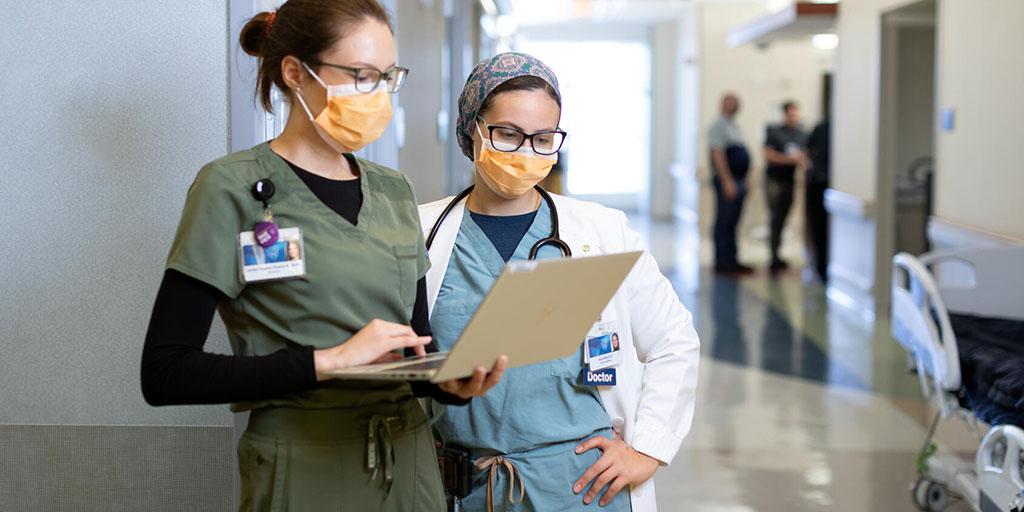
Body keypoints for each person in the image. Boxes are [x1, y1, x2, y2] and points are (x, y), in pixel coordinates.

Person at [139, 1, 505, 509]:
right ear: (295, 73)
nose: (377, 94)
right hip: (305, 466)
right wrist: (328, 362)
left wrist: (453, 382)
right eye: (360, 75)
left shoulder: (394, 191)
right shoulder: (231, 189)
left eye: (386, 77)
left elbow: (417, 347)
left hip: (410, 466)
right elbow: (164, 373)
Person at [419, 53, 700, 512]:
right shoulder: (422, 233)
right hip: (461, 488)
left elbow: (674, 340)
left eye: (543, 138)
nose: (526, 152)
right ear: (472, 130)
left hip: (583, 490)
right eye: (508, 134)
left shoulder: (602, 232)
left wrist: (648, 448)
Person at [707, 93, 753, 275]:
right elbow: (717, 154)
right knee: (724, 221)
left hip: (739, 180)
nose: (734, 105)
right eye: (730, 102)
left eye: (736, 102)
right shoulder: (717, 126)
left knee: (734, 222)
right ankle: (722, 262)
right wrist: (727, 180)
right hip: (728, 181)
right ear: (722, 104)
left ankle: (732, 260)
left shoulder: (735, 126)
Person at [763, 100, 808, 274]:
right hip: (775, 181)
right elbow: (769, 155)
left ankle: (778, 254)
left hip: (790, 182)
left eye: (795, 114)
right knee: (775, 218)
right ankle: (773, 256)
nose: (793, 117)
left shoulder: (800, 134)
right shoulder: (775, 133)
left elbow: (805, 156)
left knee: (783, 218)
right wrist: (791, 160)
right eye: (790, 114)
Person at [805, 118, 831, 283]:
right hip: (820, 183)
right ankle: (822, 268)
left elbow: (808, 151)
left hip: (820, 182)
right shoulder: (824, 128)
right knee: (821, 227)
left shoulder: (822, 127)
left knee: (819, 228)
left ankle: (822, 269)